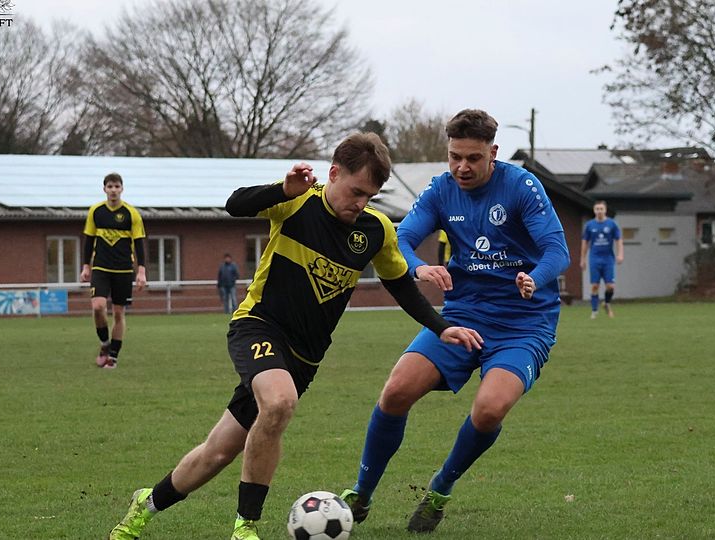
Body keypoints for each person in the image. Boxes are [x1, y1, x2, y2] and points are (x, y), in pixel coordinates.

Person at [107, 133, 483, 540]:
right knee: (280, 401)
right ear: (333, 173)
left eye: (370, 196)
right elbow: (235, 204)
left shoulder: (375, 230)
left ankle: (146, 503)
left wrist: (441, 326)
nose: (361, 203)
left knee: (218, 451)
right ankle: (245, 526)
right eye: (356, 192)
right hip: (259, 325)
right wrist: (281, 190)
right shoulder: (298, 200)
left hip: (305, 358)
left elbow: (400, 287)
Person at [340, 109, 570, 533]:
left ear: (493, 153)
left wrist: (534, 278)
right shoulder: (441, 190)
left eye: (473, 158)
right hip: (464, 315)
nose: (462, 167)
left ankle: (440, 489)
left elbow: (558, 250)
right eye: (455, 156)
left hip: (524, 322)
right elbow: (402, 238)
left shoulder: (522, 187)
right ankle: (361, 494)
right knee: (396, 391)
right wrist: (418, 267)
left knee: (489, 409)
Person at [80, 172, 147, 369]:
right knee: (98, 306)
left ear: (122, 189)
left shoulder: (131, 213)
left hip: (123, 269)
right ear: (104, 189)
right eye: (110, 187)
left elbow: (139, 243)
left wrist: (141, 271)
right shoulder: (96, 211)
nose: (113, 190)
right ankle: (104, 344)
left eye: (117, 186)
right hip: (101, 267)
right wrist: (86, 266)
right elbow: (88, 240)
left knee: (118, 313)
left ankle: (113, 357)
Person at [580, 200, 623, 319]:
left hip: (608, 259)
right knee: (595, 286)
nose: (599, 211)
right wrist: (582, 259)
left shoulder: (612, 224)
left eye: (601, 209)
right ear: (594, 210)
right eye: (597, 209)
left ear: (605, 210)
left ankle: (606, 303)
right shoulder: (589, 225)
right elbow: (585, 242)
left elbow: (618, 239)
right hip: (594, 258)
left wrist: (620, 254)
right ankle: (594, 311)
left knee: (610, 286)